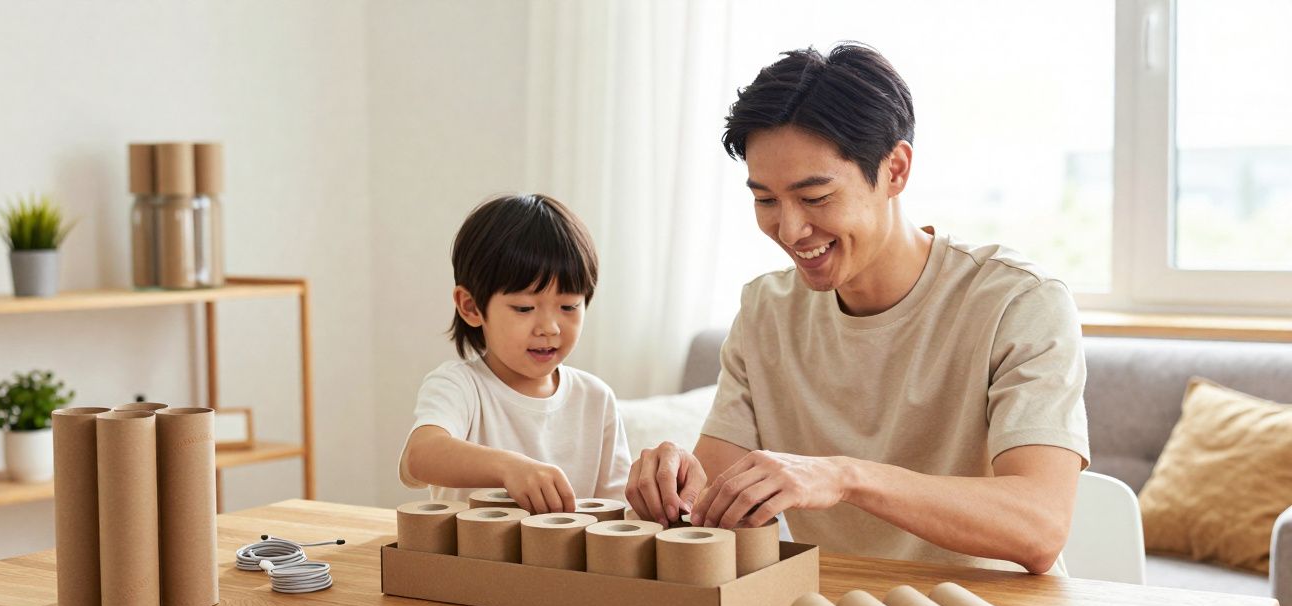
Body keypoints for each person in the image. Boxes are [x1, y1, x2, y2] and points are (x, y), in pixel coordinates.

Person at [625, 43, 1088, 574]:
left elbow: (1040, 526)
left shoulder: (1019, 301)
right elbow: (715, 503)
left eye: (816, 197)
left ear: (895, 169)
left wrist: (843, 477)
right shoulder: (766, 311)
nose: (791, 230)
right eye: (766, 200)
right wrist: (674, 483)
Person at [399, 193, 631, 513]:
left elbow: (616, 509)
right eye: (524, 308)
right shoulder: (460, 386)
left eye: (569, 306)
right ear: (471, 307)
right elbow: (420, 456)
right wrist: (509, 467)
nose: (549, 327)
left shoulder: (596, 398)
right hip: (470, 563)